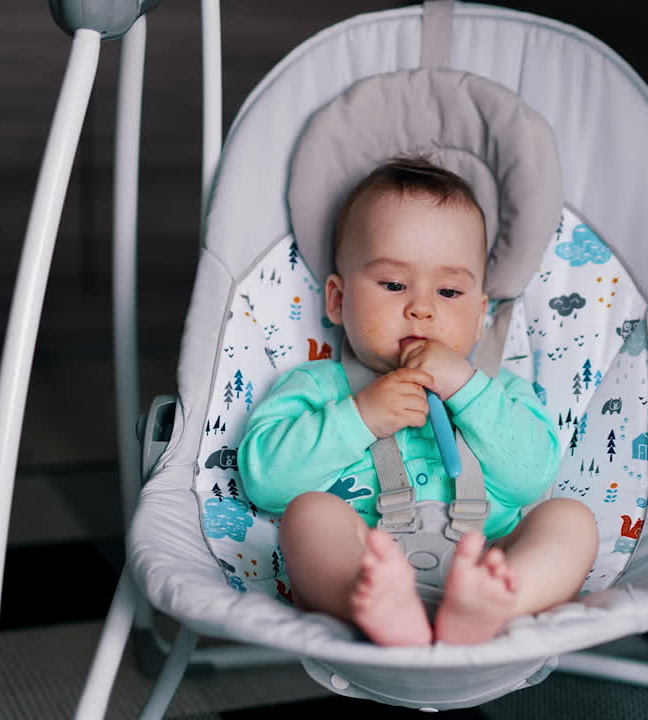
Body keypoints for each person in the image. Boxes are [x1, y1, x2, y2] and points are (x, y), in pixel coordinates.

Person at [237, 157, 598, 646]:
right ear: (338, 300)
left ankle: (498, 604)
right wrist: (361, 416)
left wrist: (466, 389)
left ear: (478, 316)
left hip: (489, 555)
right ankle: (372, 604)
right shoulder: (319, 386)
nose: (421, 307)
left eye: (449, 291)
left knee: (569, 521)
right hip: (366, 558)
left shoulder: (500, 393)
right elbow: (267, 481)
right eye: (393, 284)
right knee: (308, 518)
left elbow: (532, 475)